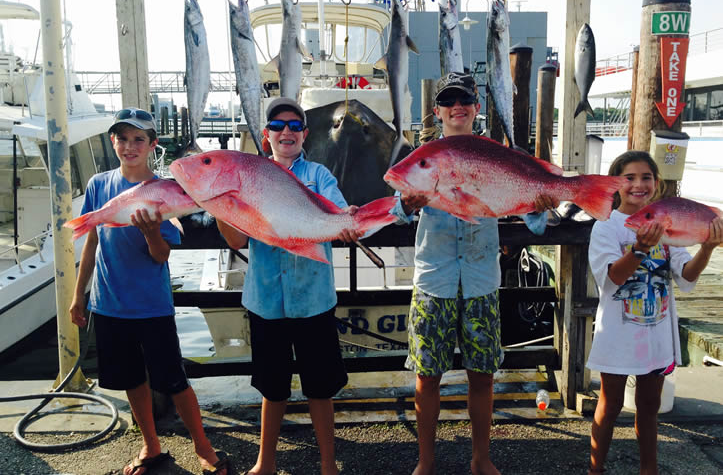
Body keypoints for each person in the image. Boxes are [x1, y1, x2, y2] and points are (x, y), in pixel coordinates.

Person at [391, 72, 558, 475]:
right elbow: (396, 210)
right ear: (438, 111)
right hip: (434, 282)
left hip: (482, 281)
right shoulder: (422, 157)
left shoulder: (494, 153)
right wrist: (408, 205)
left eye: (463, 99)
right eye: (448, 101)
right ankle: (425, 461)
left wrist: (544, 200)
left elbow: (535, 222)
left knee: (482, 376)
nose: (456, 107)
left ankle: (481, 458)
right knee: (427, 377)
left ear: (476, 107)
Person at [69, 108, 229, 475]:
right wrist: (81, 295)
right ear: (113, 142)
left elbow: (161, 256)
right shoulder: (98, 185)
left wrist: (151, 231)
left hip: (152, 307)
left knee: (175, 380)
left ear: (152, 145)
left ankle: (203, 446)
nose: (129, 146)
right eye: (122, 139)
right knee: (131, 380)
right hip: (108, 304)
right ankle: (151, 446)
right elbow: (92, 241)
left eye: (138, 139)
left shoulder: (168, 191)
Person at [218, 97, 360, 475]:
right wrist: (219, 204)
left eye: (295, 126)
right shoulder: (248, 176)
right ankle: (266, 461)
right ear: (266, 135)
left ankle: (328, 463)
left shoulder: (320, 176)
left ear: (305, 134)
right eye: (278, 126)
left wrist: (346, 221)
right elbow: (234, 240)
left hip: (313, 300)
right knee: (272, 387)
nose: (286, 132)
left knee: (320, 387)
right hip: (266, 300)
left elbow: (338, 215)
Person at [586, 150, 723, 475]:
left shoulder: (666, 222)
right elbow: (613, 277)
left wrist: (706, 247)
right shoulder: (606, 227)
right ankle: (595, 469)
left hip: (657, 335)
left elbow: (686, 274)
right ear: (616, 185)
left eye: (646, 177)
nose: (638, 184)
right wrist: (640, 249)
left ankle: (650, 470)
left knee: (649, 408)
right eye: (629, 178)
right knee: (610, 405)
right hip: (617, 335)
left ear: (657, 183)